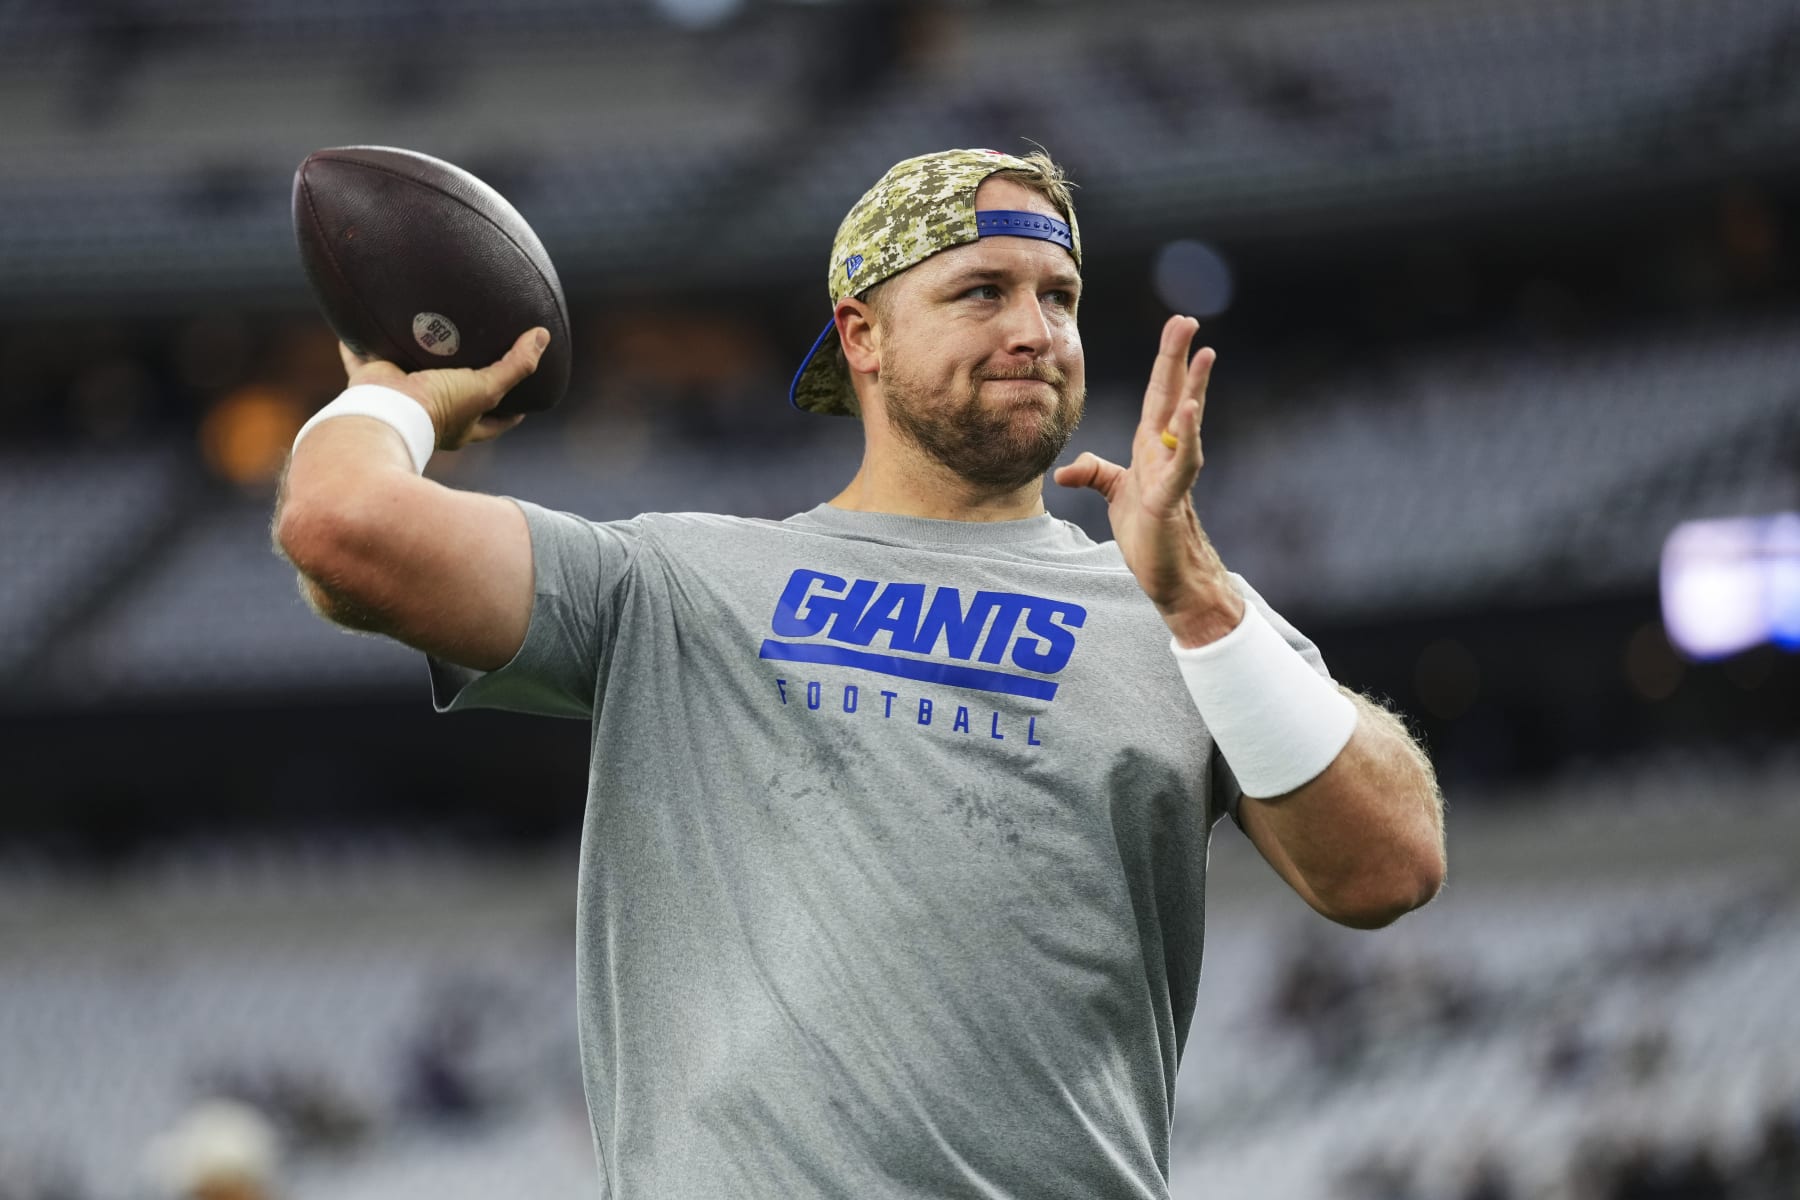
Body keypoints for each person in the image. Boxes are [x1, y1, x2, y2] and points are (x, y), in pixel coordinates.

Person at [274, 147, 1446, 1198]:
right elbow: (343, 532)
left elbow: (1386, 868)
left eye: (1061, 298)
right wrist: (399, 388)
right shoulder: (682, 585)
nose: (1034, 331)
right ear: (863, 336)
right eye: (981, 291)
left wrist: (1202, 602)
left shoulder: (1177, 614)